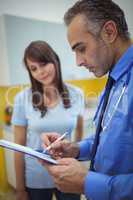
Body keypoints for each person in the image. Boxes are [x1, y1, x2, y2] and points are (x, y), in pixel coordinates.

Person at [41, 0, 133, 200]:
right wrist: (75, 148)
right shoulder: (114, 81)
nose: (78, 61)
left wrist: (87, 183)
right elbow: (110, 140)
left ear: (109, 32)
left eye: (81, 48)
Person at [11, 40, 84, 200]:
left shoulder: (77, 94)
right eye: (34, 69)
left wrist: (77, 165)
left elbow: (79, 135)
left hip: (67, 173)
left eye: (43, 64)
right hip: (35, 178)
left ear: (54, 60)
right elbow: (19, 148)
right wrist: (20, 189)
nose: (40, 72)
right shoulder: (22, 98)